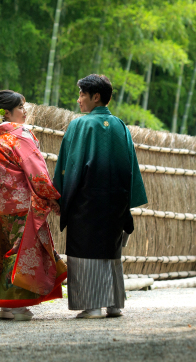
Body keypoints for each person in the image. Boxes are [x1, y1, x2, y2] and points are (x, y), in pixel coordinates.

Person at [53, 74, 148, 319]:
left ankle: (92, 306)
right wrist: (126, 201)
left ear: (96, 97)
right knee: (110, 250)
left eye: (82, 94)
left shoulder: (80, 125)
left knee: (85, 250)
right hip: (116, 201)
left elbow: (69, 167)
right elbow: (131, 168)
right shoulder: (121, 126)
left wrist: (61, 198)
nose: (78, 100)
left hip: (86, 202)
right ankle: (114, 304)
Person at [0, 90, 68, 321]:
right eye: (20, 107)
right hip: (24, 205)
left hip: (1, 207)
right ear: (7, 113)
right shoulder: (21, 136)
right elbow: (37, 172)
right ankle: (12, 304)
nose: (25, 111)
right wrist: (54, 198)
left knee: (12, 248)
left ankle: (11, 304)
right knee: (21, 251)